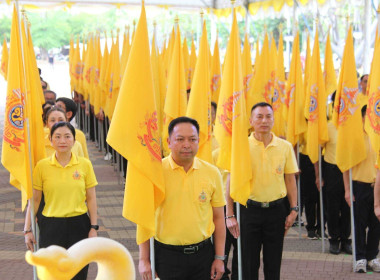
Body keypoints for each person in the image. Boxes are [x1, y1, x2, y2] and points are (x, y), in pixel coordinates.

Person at [139, 116, 226, 280]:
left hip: (203, 255)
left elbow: (218, 217)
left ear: (199, 141)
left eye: (192, 139)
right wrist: (144, 260)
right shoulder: (155, 173)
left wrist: (219, 258)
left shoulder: (212, 172)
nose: (187, 144)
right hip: (167, 256)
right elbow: (143, 218)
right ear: (169, 142)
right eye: (180, 139)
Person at [226, 102, 298, 280]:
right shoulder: (240, 146)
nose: (264, 121)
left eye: (268, 116)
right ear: (251, 120)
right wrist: (230, 214)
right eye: (259, 117)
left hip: (276, 211)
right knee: (248, 262)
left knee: (273, 262)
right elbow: (230, 181)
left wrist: (294, 209)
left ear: (274, 120)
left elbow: (290, 179)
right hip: (249, 211)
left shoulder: (285, 147)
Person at [24, 122, 98, 280]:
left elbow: (91, 198)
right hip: (51, 226)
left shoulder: (85, 165)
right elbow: (35, 200)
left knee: (78, 271)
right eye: (57, 137)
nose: (62, 141)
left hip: (79, 225)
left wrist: (93, 227)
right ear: (50, 140)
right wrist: (27, 229)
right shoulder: (42, 166)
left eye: (67, 136)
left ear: (74, 140)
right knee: (52, 273)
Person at [343, 105, 380, 273]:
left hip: (377, 187)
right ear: (363, 118)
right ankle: (360, 258)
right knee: (359, 224)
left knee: (376, 224)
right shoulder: (355, 138)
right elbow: (346, 167)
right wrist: (348, 191)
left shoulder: (378, 137)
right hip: (360, 187)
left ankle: (372, 257)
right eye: (368, 115)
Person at [318, 91, 351, 255]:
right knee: (332, 207)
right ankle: (334, 240)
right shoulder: (328, 127)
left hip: (350, 170)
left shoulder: (353, 125)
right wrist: (319, 176)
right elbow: (318, 151)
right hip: (332, 170)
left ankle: (346, 240)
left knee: (348, 206)